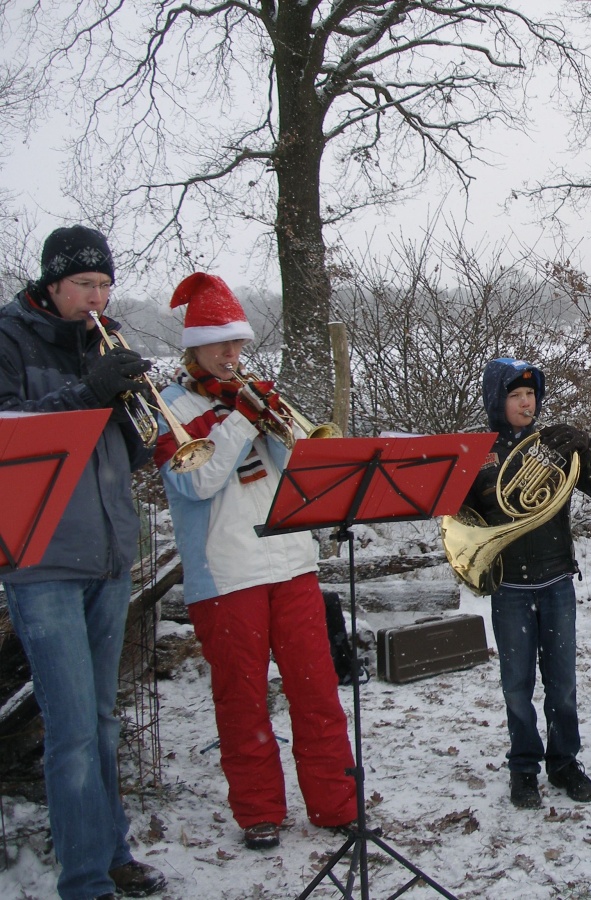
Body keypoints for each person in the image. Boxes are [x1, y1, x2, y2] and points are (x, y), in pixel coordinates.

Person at [154, 272, 357, 848]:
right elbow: (197, 484)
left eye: (238, 344)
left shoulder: (251, 393)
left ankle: (335, 805)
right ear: (193, 344)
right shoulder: (171, 408)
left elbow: (304, 465)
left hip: (291, 561)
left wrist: (278, 424)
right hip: (226, 575)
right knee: (242, 702)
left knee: (317, 692)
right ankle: (259, 812)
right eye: (221, 344)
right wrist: (243, 419)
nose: (231, 355)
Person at [0, 226, 166, 899]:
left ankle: (112, 850)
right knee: (69, 728)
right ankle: (85, 879)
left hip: (106, 551)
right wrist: (87, 395)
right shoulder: (10, 339)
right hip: (40, 555)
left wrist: (140, 417)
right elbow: (11, 434)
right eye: (84, 286)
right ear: (52, 283)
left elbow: (127, 455)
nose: (97, 298)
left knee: (101, 719)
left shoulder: (110, 341)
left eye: (105, 285)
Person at [462, 358, 591, 809]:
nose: (525, 402)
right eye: (514, 395)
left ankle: (565, 762)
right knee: (516, 684)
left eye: (530, 394)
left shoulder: (552, 444)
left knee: (563, 682)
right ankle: (523, 768)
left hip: (555, 580)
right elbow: (457, 512)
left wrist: (585, 448)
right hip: (509, 585)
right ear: (497, 401)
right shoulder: (479, 450)